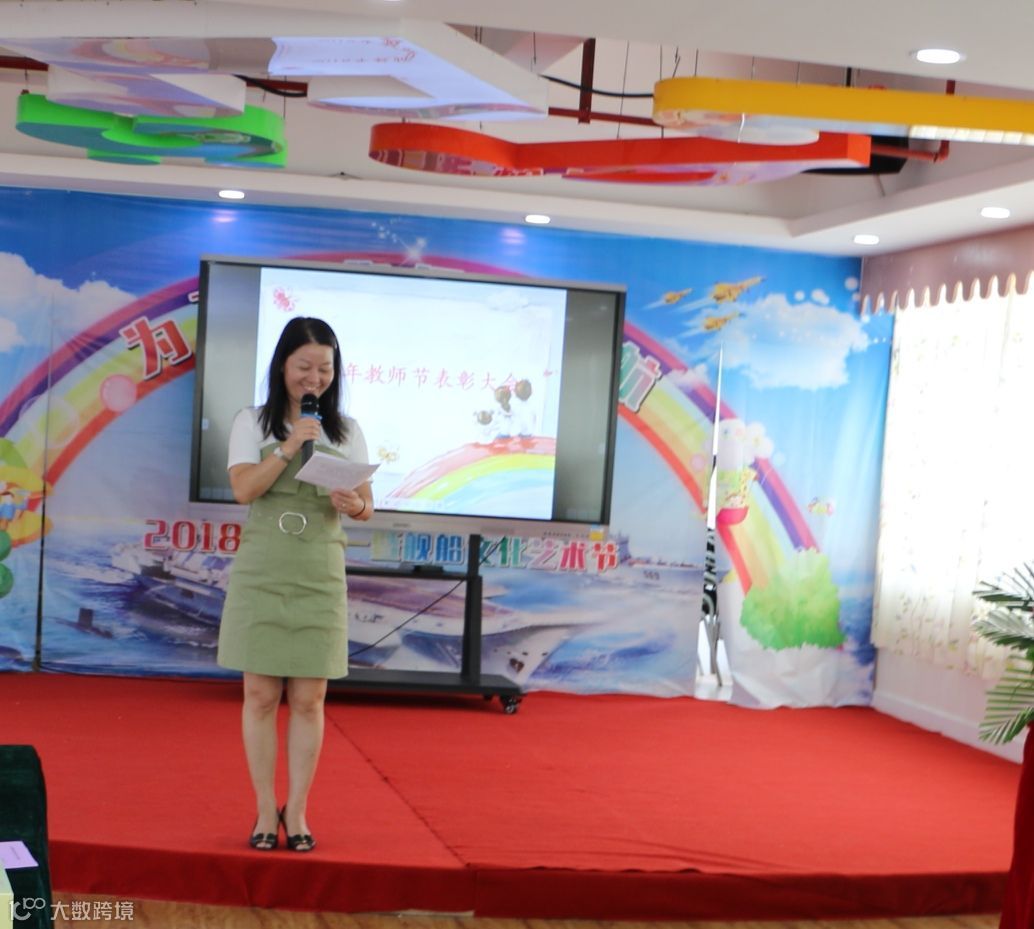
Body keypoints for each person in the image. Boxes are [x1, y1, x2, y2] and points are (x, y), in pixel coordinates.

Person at [217, 317, 373, 853]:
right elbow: (243, 490)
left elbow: (367, 507)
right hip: (264, 566)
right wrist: (288, 447)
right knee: (260, 695)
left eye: (324, 369)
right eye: (304, 366)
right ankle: (265, 807)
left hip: (318, 570)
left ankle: (298, 809)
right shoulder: (251, 422)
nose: (314, 378)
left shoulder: (346, 430)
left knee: (309, 699)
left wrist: (353, 503)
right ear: (282, 365)